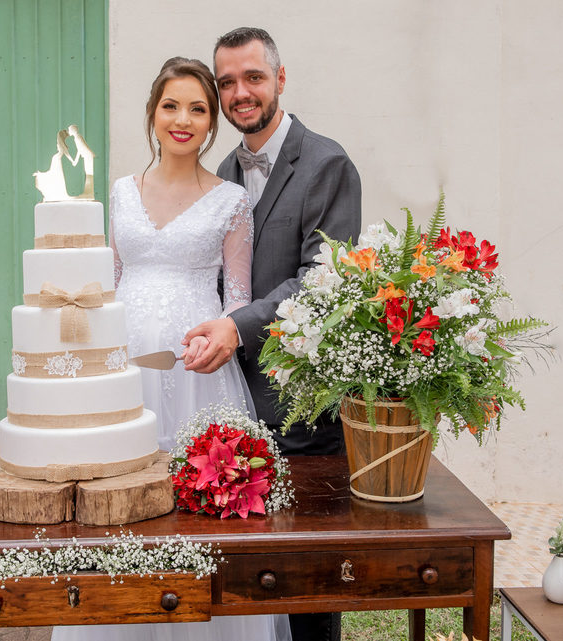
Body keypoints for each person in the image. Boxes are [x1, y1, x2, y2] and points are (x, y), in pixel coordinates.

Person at [50, 56, 291, 641]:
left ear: (211, 124)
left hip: (197, 372)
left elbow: (238, 298)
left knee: (196, 503)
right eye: (171, 106)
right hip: (123, 367)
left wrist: (221, 339)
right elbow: (102, 283)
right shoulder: (120, 192)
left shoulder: (232, 200)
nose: (182, 119)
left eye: (198, 109)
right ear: (153, 113)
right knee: (119, 497)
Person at [183, 27, 362, 641]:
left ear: (280, 79)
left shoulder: (327, 163)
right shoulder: (222, 173)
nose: (240, 93)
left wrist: (235, 327)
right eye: (227, 82)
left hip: (300, 414)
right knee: (245, 584)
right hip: (229, 407)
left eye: (252, 77)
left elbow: (322, 283)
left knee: (307, 585)